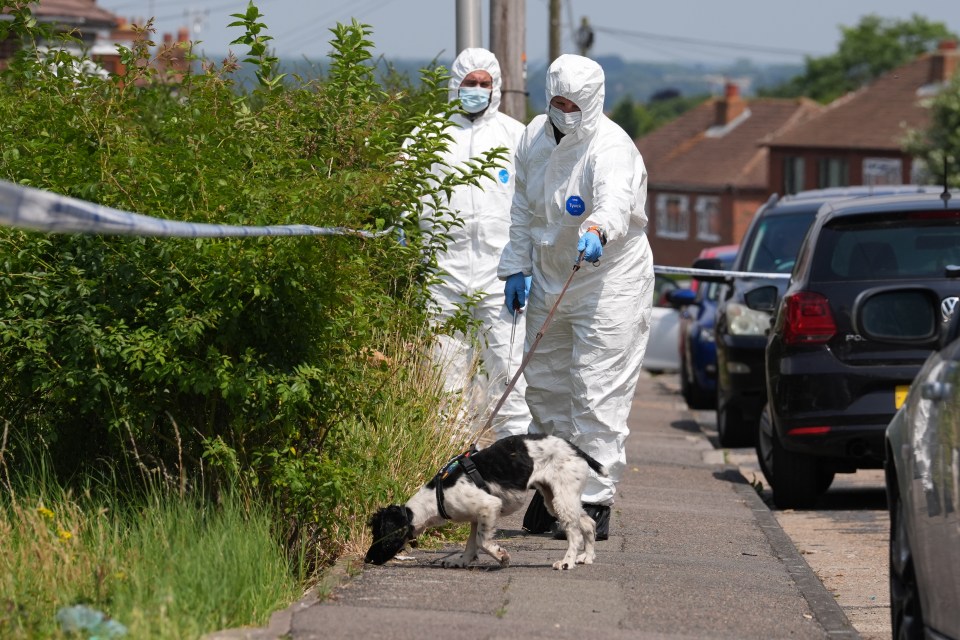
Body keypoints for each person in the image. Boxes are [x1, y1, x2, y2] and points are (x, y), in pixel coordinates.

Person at [498, 54, 655, 540]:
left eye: (573, 104)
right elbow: (522, 208)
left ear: (592, 102)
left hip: (608, 280)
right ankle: (553, 492)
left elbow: (614, 201)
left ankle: (594, 500)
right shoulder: (533, 138)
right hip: (550, 276)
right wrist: (516, 267)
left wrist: (598, 229)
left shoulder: (610, 147)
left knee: (595, 391)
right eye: (557, 102)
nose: (564, 111)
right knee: (545, 390)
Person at [419, 48, 531, 440]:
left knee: (509, 379)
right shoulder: (428, 137)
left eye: (485, 84)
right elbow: (403, 200)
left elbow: (531, 207)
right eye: (471, 82)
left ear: (496, 87)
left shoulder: (516, 137)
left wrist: (525, 266)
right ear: (456, 84)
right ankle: (445, 474)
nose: (477, 90)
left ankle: (511, 470)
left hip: (499, 282)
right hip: (442, 280)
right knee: (443, 386)